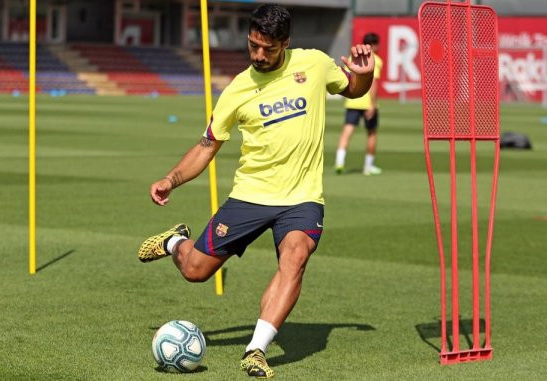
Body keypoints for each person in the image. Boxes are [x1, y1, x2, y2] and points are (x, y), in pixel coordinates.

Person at [137, 4, 374, 379]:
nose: (259, 55)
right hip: (250, 195)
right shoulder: (237, 89)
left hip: (302, 197)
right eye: (253, 46)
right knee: (196, 272)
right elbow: (206, 146)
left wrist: (366, 74)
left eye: (268, 48)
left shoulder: (313, 64)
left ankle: (256, 350)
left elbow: (354, 87)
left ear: (286, 43)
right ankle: (173, 243)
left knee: (295, 258)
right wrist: (171, 179)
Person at [334, 32, 384, 176]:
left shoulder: (352, 57)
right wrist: (373, 104)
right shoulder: (375, 59)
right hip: (367, 103)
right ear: (374, 45)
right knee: (372, 134)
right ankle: (368, 167)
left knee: (347, 132)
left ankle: (339, 162)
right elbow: (373, 83)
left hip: (352, 101)